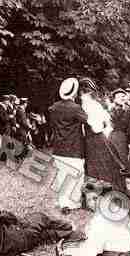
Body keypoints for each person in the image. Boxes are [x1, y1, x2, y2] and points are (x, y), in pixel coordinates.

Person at [20, 188, 130, 256]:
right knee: (75, 240)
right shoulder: (118, 211)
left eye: (94, 199)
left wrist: (69, 252)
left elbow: (90, 253)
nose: (91, 203)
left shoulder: (101, 219)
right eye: (90, 199)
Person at [49, 78, 88, 214]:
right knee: (76, 175)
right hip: (74, 147)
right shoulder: (76, 108)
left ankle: (62, 200)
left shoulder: (53, 107)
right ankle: (72, 202)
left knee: (62, 175)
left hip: (58, 146)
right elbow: (87, 120)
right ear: (74, 93)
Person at [78, 77, 118, 186]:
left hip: (94, 138)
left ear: (85, 93)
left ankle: (100, 188)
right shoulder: (95, 104)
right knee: (99, 165)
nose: (81, 96)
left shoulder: (89, 105)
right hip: (96, 137)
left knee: (97, 166)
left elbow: (96, 127)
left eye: (82, 93)